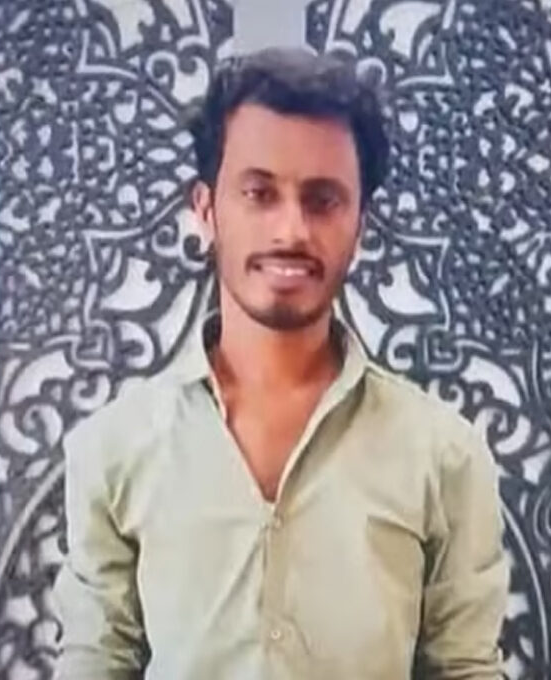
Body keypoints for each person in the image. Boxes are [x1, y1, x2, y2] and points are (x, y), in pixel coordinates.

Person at [54, 46, 508, 680]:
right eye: (259, 193)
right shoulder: (115, 449)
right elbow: (95, 663)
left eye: (323, 200)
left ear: (360, 225)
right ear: (206, 209)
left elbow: (465, 669)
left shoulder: (444, 455)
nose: (291, 230)